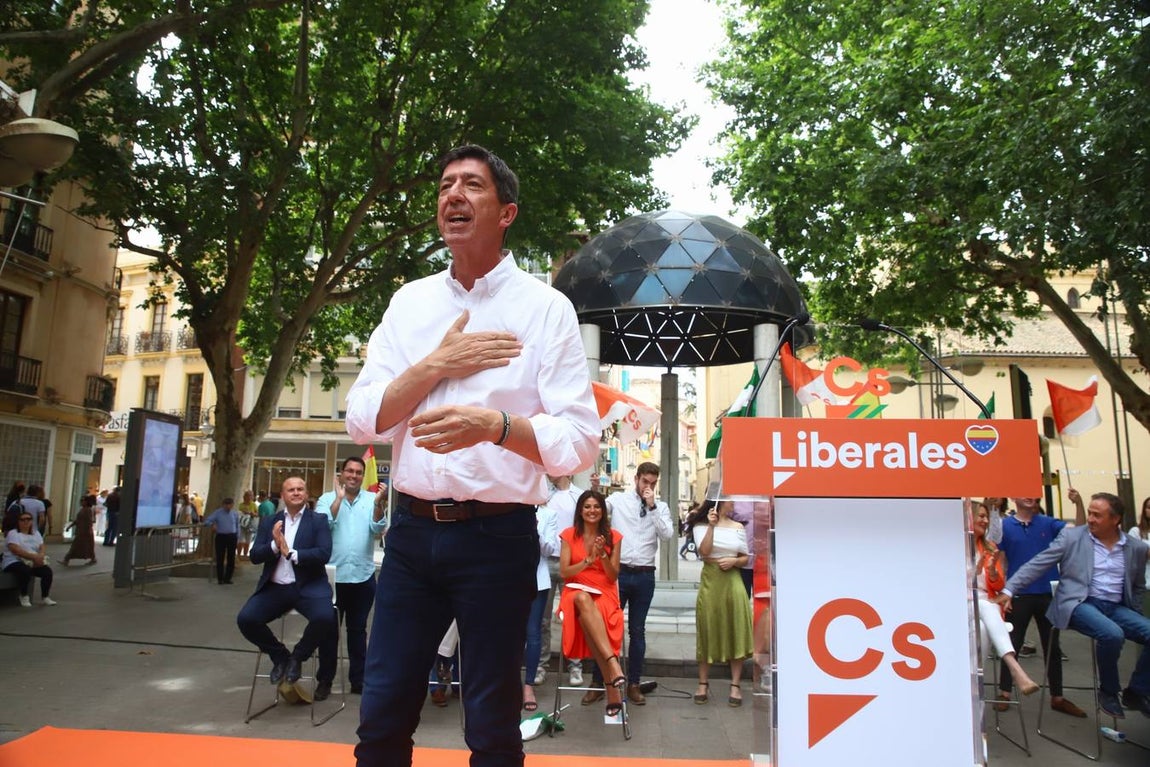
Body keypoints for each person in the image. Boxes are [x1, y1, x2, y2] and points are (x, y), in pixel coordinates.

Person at [345, 144, 599, 767]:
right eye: (445, 184)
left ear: (506, 211)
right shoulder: (410, 303)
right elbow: (362, 419)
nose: (453, 194)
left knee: (491, 724)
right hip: (409, 535)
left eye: (472, 185)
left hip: (497, 539)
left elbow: (578, 444)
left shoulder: (546, 309)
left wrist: (498, 425)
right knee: (381, 714)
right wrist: (436, 366)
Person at [997, 489, 1150, 718]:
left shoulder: (1136, 548)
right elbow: (1038, 563)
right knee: (1112, 634)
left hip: (1116, 608)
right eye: (1089, 513)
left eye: (1097, 515)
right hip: (1080, 603)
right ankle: (1109, 691)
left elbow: (1137, 585)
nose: (1090, 519)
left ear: (1115, 519)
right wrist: (1009, 588)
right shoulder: (1073, 537)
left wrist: (1135, 615)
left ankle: (1136, 691)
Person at [236, 476, 335, 697]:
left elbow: (324, 553)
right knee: (246, 619)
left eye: (301, 489)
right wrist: (274, 544)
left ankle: (297, 658)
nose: (296, 492)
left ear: (307, 494)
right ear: (283, 495)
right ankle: (280, 657)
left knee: (325, 618)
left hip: (309, 587)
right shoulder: (270, 521)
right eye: (291, 490)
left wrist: (293, 553)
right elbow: (254, 556)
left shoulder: (318, 520)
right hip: (276, 588)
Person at [993, 495, 1085, 717]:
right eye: (1024, 493)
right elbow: (1000, 559)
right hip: (1019, 594)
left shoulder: (1049, 523)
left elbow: (1080, 530)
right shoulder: (1005, 525)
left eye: (1033, 494)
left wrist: (1079, 504)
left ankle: (1057, 696)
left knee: (1052, 646)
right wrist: (1006, 591)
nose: (1030, 497)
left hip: (1047, 593)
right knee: (1011, 645)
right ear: (1014, 498)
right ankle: (1004, 692)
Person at [596, 461, 675, 705]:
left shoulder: (660, 507)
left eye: (652, 483)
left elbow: (668, 535)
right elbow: (595, 508)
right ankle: (600, 683)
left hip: (644, 575)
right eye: (645, 482)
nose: (648, 487)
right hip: (618, 574)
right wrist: (595, 488)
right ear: (636, 479)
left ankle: (633, 683)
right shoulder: (619, 500)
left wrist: (652, 507)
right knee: (608, 629)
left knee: (637, 630)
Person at [316, 456, 387, 698]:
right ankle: (325, 680)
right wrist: (338, 498)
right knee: (328, 632)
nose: (354, 475)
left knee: (358, 632)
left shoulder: (370, 499)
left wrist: (380, 504)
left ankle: (359, 680)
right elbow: (323, 525)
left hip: (363, 577)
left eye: (358, 472)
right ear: (341, 473)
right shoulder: (326, 499)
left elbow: (378, 530)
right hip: (332, 577)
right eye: (350, 471)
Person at [558, 490, 626, 716]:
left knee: (592, 617)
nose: (592, 511)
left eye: (596, 506)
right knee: (581, 598)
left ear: (603, 511)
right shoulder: (569, 535)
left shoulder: (613, 536)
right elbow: (565, 572)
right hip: (575, 588)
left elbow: (613, 576)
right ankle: (612, 665)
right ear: (580, 510)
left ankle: (610, 685)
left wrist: (603, 556)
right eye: (587, 506)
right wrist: (588, 560)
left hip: (604, 591)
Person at [971, 501, 1038, 698]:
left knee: (982, 628)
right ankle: (1015, 667)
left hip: (985, 606)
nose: (985, 521)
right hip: (963, 603)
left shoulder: (990, 547)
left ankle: (974, 687)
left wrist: (991, 572)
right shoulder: (955, 546)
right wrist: (976, 569)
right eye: (980, 516)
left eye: (986, 516)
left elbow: (998, 586)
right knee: (984, 606)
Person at [691, 499, 753, 707]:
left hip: (733, 579)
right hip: (711, 580)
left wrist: (734, 561)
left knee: (736, 626)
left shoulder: (738, 527)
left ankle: (735, 684)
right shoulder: (700, 526)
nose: (734, 503)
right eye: (730, 500)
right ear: (720, 502)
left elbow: (745, 557)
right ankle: (702, 683)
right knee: (708, 627)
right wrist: (711, 526)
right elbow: (704, 552)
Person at [538, 474, 585, 686]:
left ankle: (575, 665)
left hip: (571, 561)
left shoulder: (579, 496)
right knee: (542, 618)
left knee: (573, 616)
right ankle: (540, 664)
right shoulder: (543, 494)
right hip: (545, 560)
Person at [523, 496, 560, 711]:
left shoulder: (548, 514)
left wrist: (534, 531)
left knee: (533, 632)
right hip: (510, 579)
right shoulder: (509, 511)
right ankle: (507, 685)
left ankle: (528, 685)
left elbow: (549, 550)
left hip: (538, 580)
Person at [3, 508, 55, 606]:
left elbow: (42, 546)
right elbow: (16, 550)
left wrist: (40, 556)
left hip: (32, 560)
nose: (26, 521)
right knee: (25, 571)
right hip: (13, 560)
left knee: (47, 572)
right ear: (18, 522)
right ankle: (24, 595)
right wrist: (33, 557)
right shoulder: (13, 534)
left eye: (29, 519)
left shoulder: (36, 533)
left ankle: (45, 596)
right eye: (23, 520)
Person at [203, 497, 239, 585]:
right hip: (221, 536)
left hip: (232, 536)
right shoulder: (218, 513)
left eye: (230, 504)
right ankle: (220, 578)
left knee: (231, 558)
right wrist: (213, 524)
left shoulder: (235, 514)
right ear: (223, 505)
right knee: (220, 557)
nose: (228, 507)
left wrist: (237, 536)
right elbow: (207, 521)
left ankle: (228, 578)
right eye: (226, 504)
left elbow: (238, 525)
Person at [61, 494, 98, 566]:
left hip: (85, 532)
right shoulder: (83, 509)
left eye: (82, 501)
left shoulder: (88, 510)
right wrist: (70, 526)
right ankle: (93, 559)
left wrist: (87, 530)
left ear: (86, 502)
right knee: (85, 546)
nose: (81, 502)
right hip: (81, 531)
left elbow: (90, 521)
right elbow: (77, 520)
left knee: (78, 546)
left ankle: (66, 559)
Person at [237, 490, 258, 558]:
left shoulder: (254, 505)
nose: (249, 497)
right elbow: (238, 513)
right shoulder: (241, 505)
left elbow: (257, 514)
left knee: (248, 540)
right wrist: (243, 512)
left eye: (250, 496)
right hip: (241, 525)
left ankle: (245, 555)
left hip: (250, 525)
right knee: (240, 540)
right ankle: (239, 555)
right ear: (244, 497)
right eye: (247, 496)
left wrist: (252, 514)